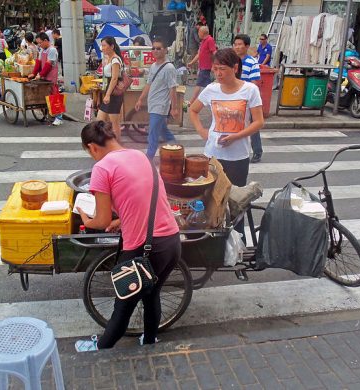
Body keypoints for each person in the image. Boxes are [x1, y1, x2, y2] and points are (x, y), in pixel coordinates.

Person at [74, 120, 181, 352]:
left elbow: (100, 221)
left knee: (123, 304)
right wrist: (121, 220)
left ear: (92, 147)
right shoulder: (141, 156)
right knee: (151, 294)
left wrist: (85, 217)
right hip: (171, 242)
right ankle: (150, 340)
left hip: (144, 249)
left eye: (89, 152)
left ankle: (101, 347)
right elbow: (147, 196)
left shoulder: (102, 168)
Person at [189, 48, 264, 239]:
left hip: (238, 157)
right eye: (215, 69)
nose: (218, 74)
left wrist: (236, 136)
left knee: (236, 202)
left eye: (222, 69)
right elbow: (193, 110)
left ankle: (237, 240)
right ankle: (213, 240)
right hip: (213, 154)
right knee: (211, 198)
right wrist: (202, 131)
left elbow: (258, 122)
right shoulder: (211, 89)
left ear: (235, 68)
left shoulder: (250, 90)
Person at [135, 37, 178, 159]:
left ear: (165, 50)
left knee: (152, 135)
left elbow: (172, 89)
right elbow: (149, 84)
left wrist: (174, 108)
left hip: (160, 106)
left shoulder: (169, 68)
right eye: (153, 48)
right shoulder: (153, 66)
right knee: (164, 132)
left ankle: (148, 161)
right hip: (152, 104)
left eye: (158, 48)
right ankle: (177, 152)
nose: (155, 50)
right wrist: (140, 99)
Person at [233, 34, 263, 164]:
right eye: (236, 44)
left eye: (240, 44)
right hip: (232, 99)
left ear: (246, 46)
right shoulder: (231, 61)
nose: (237, 47)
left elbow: (255, 82)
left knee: (252, 125)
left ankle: (257, 151)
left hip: (247, 100)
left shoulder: (252, 62)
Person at [27, 32, 63, 126]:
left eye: (40, 43)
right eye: (38, 43)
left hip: (51, 77)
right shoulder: (42, 50)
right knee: (45, 96)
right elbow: (38, 62)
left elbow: (48, 64)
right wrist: (34, 73)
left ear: (46, 41)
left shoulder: (52, 50)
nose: (39, 45)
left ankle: (59, 117)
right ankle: (49, 115)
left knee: (54, 96)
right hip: (44, 77)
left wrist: (40, 74)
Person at [97, 37, 124, 140]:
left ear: (112, 46)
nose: (102, 48)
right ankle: (107, 142)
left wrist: (108, 95)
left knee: (114, 124)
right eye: (102, 45)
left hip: (114, 93)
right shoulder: (108, 58)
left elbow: (114, 78)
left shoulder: (115, 60)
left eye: (104, 45)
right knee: (100, 120)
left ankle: (117, 145)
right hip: (108, 90)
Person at [187, 25, 217, 105]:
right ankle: (214, 100)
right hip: (203, 66)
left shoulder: (210, 40)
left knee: (199, 84)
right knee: (209, 85)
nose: (198, 34)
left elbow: (214, 53)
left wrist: (214, 65)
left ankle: (191, 102)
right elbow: (199, 54)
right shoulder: (203, 41)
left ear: (202, 32)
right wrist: (191, 63)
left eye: (199, 32)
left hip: (207, 67)